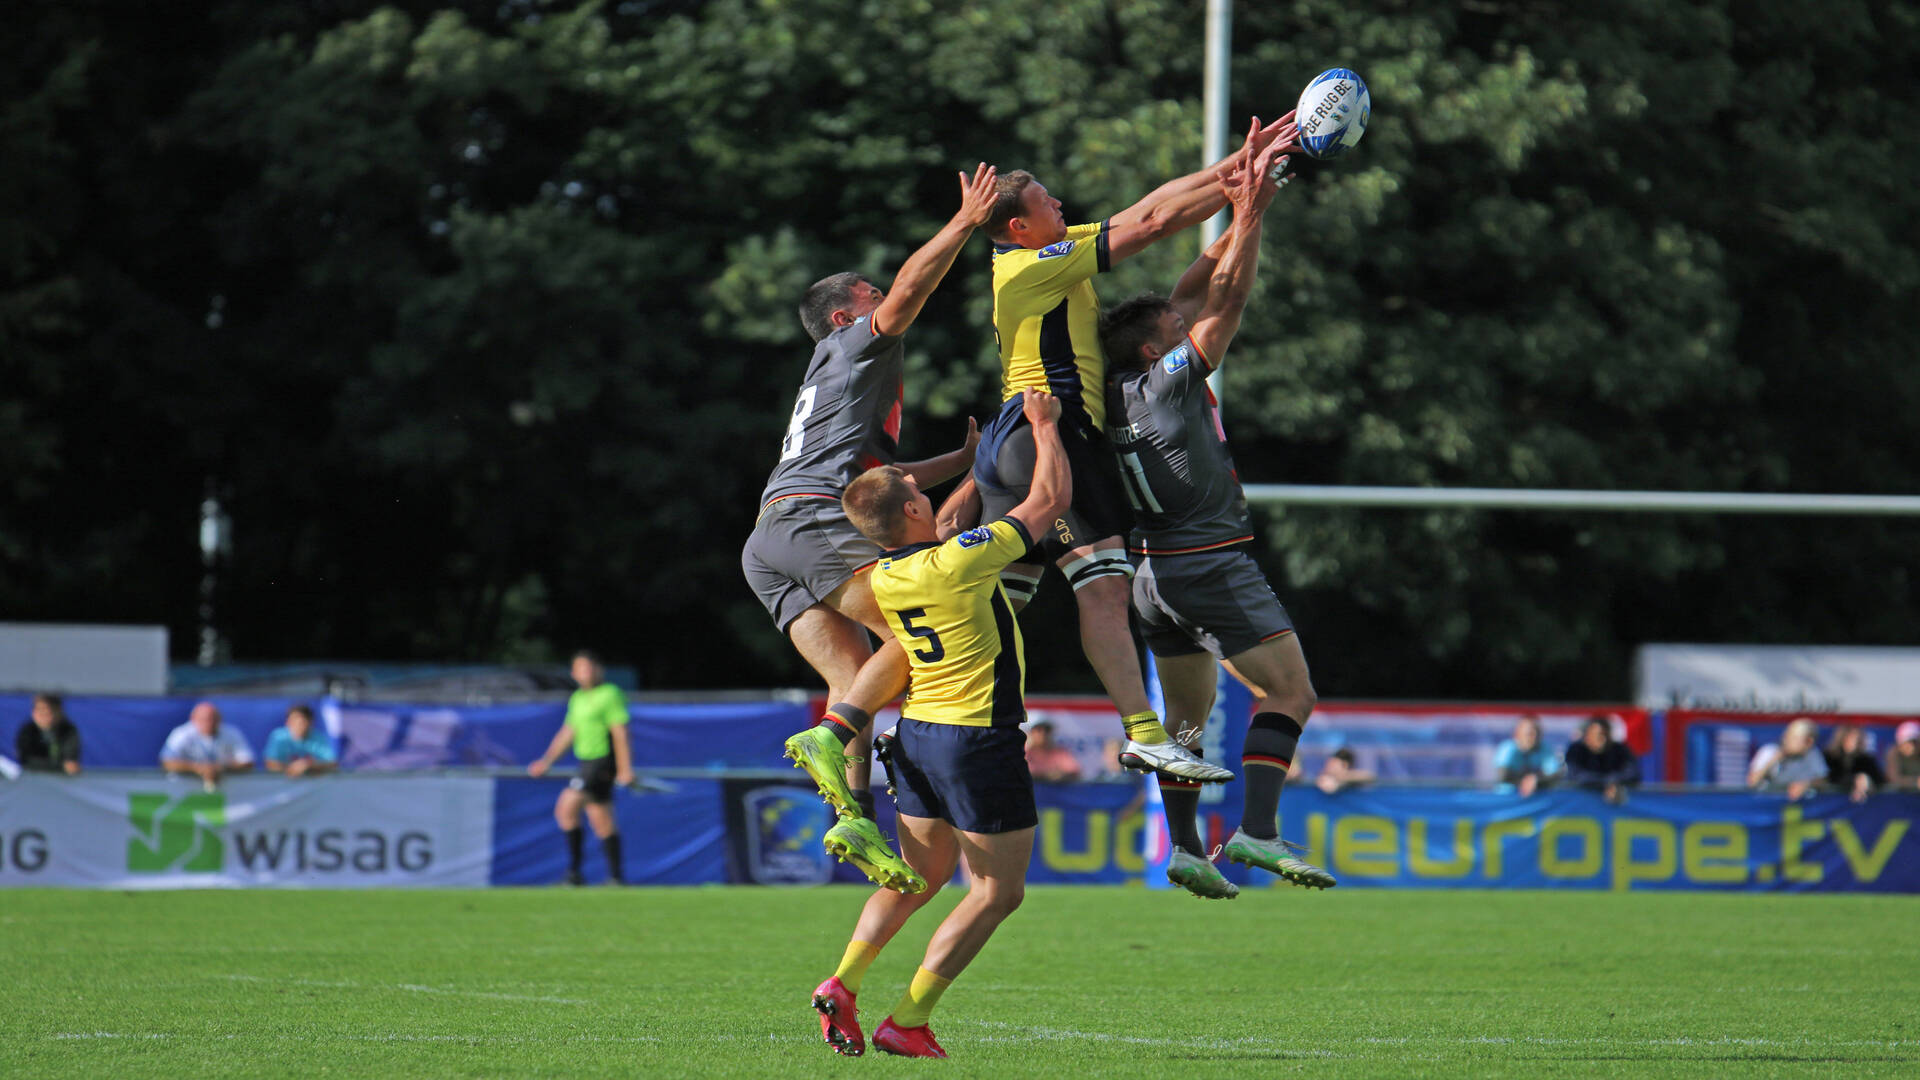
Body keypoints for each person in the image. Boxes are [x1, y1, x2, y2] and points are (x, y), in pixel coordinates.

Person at [968, 117, 1301, 786]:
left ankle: (899, 721)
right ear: (1019, 229)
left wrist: (1240, 165)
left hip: (1020, 445)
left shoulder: (1049, 256)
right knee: (1102, 586)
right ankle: (1146, 735)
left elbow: (1150, 209)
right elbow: (1150, 228)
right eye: (1046, 203)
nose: (1059, 205)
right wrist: (1243, 187)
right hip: (1048, 439)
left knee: (994, 610)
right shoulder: (1031, 268)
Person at [749, 165, 1000, 892]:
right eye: (870, 295)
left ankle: (854, 814)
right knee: (913, 635)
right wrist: (962, 223)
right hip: (810, 518)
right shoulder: (854, 346)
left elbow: (873, 480)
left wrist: (956, 460)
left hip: (771, 535)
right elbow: (916, 287)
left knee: (855, 679)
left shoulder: (837, 385)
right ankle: (836, 749)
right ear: (842, 317)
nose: (884, 299)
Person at [1094, 131, 1330, 901]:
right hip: (1208, 561)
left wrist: (1252, 201)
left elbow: (1195, 286)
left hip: (1151, 576)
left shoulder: (1117, 394)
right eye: (1171, 329)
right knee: (1290, 694)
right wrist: (1252, 219)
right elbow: (1224, 297)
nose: (1182, 323)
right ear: (1152, 351)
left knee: (1187, 732)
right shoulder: (1165, 385)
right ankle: (1258, 831)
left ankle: (1187, 849)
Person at [807, 389, 1068, 1060]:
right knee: (997, 891)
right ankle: (909, 1018)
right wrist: (1042, 427)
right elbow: (1048, 504)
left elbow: (941, 528)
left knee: (918, 880)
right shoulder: (956, 561)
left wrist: (973, 470)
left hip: (916, 735)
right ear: (915, 508)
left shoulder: (889, 577)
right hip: (975, 737)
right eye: (914, 488)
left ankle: (846, 979)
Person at [527, 651, 633, 885]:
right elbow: (568, 732)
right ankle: (616, 877)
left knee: (566, 807)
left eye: (590, 668)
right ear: (574, 673)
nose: (585, 673)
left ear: (599, 670)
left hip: (603, 761)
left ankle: (574, 872)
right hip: (586, 762)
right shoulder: (578, 698)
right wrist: (546, 761)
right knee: (600, 818)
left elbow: (620, 732)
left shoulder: (610, 694)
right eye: (580, 669)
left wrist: (625, 768)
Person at [160, 702, 255, 786]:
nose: (209, 723)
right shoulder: (181, 734)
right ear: (193, 719)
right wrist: (198, 768)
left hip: (228, 792)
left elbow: (247, 762)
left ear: (220, 719)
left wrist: (221, 768)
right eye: (204, 719)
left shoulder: (232, 733)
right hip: (183, 789)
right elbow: (167, 762)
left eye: (213, 719)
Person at [1564, 715, 1640, 803]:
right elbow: (1575, 775)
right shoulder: (1576, 750)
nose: (1603, 739)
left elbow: (1632, 773)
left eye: (1605, 735)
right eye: (1598, 735)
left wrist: (1612, 783)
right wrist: (1607, 784)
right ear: (1587, 736)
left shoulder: (1620, 750)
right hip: (1581, 804)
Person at [1746, 717, 1827, 800]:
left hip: (1797, 806)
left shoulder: (1812, 754)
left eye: (1794, 738)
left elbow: (1823, 779)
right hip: (1767, 804)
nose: (1787, 740)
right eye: (1788, 736)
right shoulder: (1769, 751)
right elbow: (1752, 782)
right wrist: (1774, 760)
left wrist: (1807, 784)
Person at [1494, 714, 1563, 795]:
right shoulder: (1508, 748)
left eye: (1537, 732)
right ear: (1518, 733)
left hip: (1537, 800)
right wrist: (1525, 782)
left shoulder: (1545, 749)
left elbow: (1556, 775)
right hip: (1509, 798)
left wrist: (1536, 781)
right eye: (1529, 733)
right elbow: (1503, 776)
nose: (1534, 737)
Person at [14, 693, 81, 775]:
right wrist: (60, 766)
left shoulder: (69, 731)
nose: (44, 714)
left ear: (59, 711)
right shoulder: (27, 731)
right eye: (40, 710)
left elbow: (71, 762)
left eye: (49, 710)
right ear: (33, 712)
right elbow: (25, 760)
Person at [263, 704, 337, 777]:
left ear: (310, 722)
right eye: (295, 721)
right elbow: (270, 764)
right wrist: (293, 768)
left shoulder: (318, 738)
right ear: (287, 722)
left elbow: (332, 763)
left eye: (302, 722)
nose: (298, 725)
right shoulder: (278, 737)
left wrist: (308, 765)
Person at [1822, 725, 1884, 803]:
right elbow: (1828, 778)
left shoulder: (1866, 759)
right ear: (1842, 739)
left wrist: (1867, 780)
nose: (1855, 742)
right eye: (1851, 738)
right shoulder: (1829, 757)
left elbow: (1879, 779)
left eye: (1858, 739)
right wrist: (1854, 781)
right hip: (1831, 802)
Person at [1885, 721, 1920, 792]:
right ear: (1900, 743)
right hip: (1899, 798)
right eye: (1908, 742)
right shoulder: (1893, 754)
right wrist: (1915, 782)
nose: (1912, 746)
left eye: (1915, 742)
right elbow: (1894, 778)